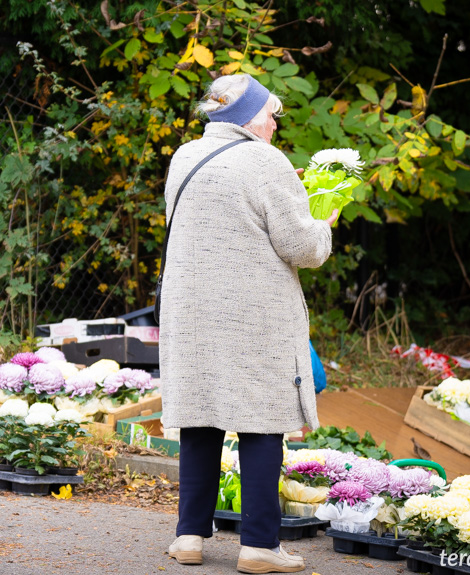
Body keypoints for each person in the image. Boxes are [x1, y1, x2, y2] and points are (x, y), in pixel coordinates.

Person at [159, 74, 338, 573]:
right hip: (251, 314)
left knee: (200, 417)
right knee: (264, 421)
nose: (276, 123)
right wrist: (324, 223)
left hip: (190, 310)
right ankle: (259, 545)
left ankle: (189, 538)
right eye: (271, 114)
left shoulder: (184, 157)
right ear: (250, 117)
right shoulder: (265, 160)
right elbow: (301, 248)